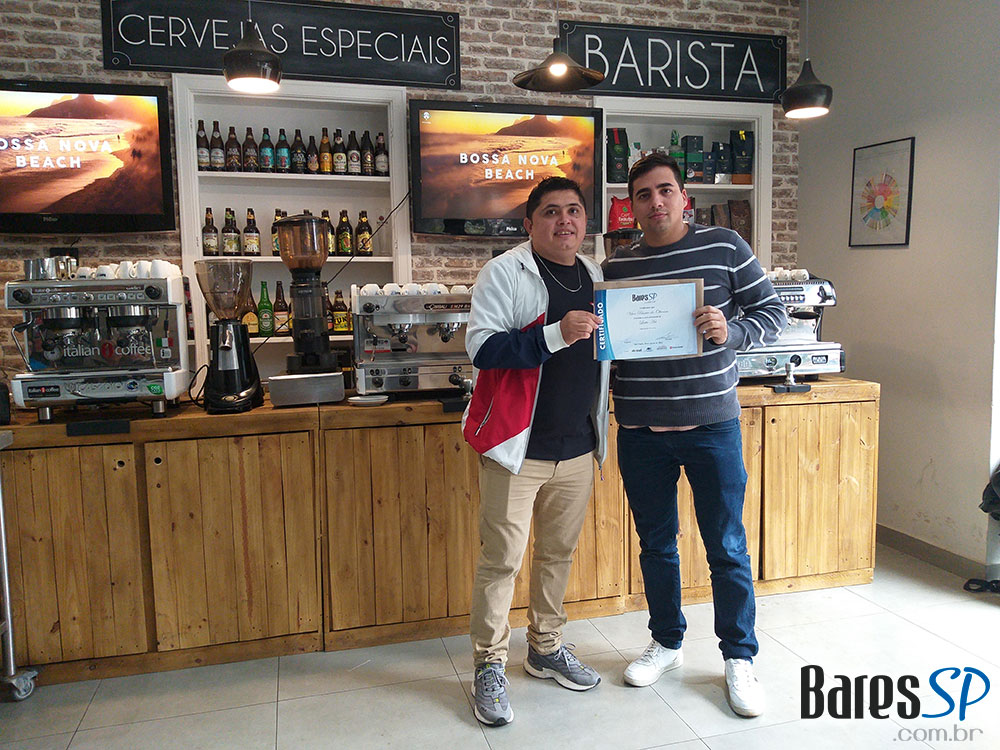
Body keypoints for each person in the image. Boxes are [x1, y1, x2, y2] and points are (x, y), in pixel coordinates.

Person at [602, 152, 786, 718]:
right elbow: (608, 350)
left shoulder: (726, 246)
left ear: (684, 197)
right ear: (631, 207)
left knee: (726, 546)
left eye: (665, 190)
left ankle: (739, 657)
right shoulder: (616, 270)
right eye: (643, 194)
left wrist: (732, 332)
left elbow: (773, 314)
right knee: (656, 545)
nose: (655, 202)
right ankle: (667, 641)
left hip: (712, 426)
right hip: (640, 430)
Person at [462, 176, 611, 726]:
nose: (564, 221)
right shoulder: (505, 271)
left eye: (573, 210)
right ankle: (489, 663)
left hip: (578, 446)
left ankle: (545, 648)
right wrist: (555, 333)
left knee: (557, 554)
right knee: (501, 559)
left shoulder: (596, 276)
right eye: (551, 212)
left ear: (585, 221)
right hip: (516, 448)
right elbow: (482, 347)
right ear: (529, 224)